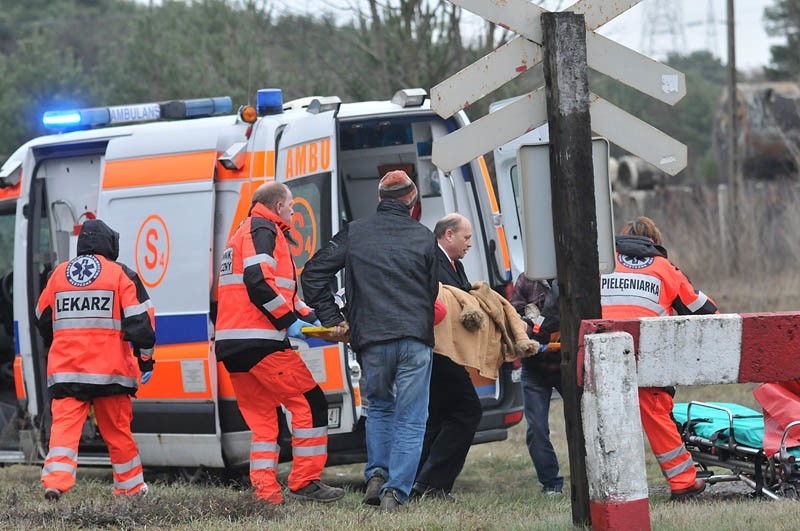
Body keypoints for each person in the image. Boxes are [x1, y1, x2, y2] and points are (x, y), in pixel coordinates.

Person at [301, 170, 439, 511]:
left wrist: (333, 318)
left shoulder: (355, 233)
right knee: (410, 417)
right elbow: (432, 291)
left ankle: (377, 475)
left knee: (378, 408)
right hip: (413, 339)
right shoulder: (424, 237)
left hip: (371, 340)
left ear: (380, 199)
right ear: (412, 201)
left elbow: (313, 273)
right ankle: (395, 493)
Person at [215, 182, 344, 505]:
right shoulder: (264, 228)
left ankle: (266, 494)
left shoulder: (245, 231)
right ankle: (305, 481)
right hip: (260, 341)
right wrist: (291, 324)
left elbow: (277, 290)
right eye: (290, 205)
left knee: (263, 422)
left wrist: (309, 316)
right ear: (276, 206)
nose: (292, 211)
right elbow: (258, 282)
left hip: (235, 344)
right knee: (310, 402)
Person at [35, 219, 156, 501]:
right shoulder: (121, 274)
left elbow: (42, 317)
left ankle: (56, 481)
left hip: (67, 372)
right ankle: (131, 489)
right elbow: (142, 324)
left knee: (63, 430)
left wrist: (59, 343)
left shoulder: (58, 274)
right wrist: (146, 359)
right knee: (117, 434)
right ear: (110, 244)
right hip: (110, 373)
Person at [601, 216, 717, 500]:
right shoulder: (665, 268)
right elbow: (705, 311)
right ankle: (683, 482)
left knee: (600, 415)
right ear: (655, 242)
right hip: (646, 360)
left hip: (601, 356)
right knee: (656, 411)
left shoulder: (601, 265)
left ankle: (609, 485)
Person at [411, 213, 482, 502]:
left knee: (437, 419)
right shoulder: (433, 262)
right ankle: (433, 484)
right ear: (448, 235)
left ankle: (416, 483)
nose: (469, 244)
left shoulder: (456, 264)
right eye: (466, 238)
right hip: (440, 352)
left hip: (448, 351)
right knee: (468, 412)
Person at [509, 274, 564, 496]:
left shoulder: (572, 277)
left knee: (582, 423)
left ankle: (590, 475)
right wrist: (532, 326)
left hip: (566, 366)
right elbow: (514, 316)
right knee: (537, 430)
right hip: (534, 368)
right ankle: (551, 483)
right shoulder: (526, 279)